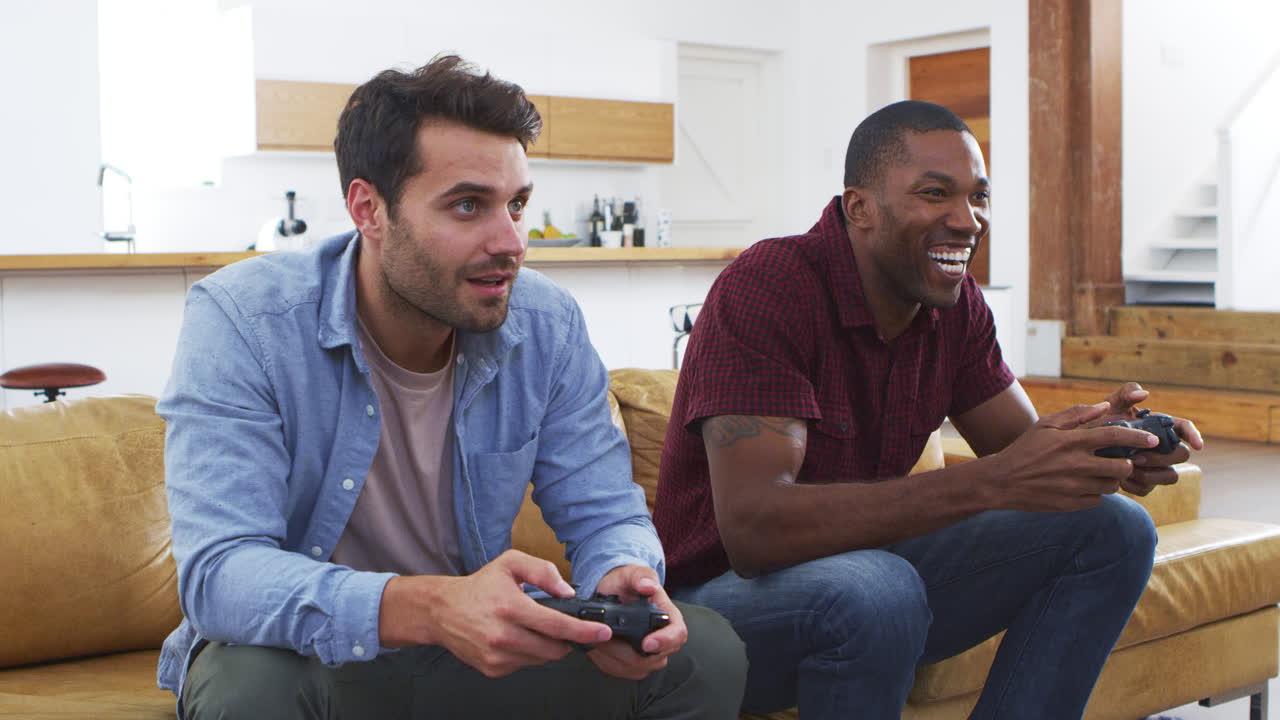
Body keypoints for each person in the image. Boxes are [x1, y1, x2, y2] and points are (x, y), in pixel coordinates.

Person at [156, 54, 746, 720]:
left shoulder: (545, 324)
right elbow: (221, 574)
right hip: (310, 660)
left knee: (706, 655)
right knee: (247, 688)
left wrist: (622, 580)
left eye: (517, 205)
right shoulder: (243, 320)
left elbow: (605, 511)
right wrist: (434, 608)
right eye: (469, 205)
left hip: (467, 661)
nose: (512, 242)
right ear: (369, 209)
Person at [653, 100, 1204, 719]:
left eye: (978, 197)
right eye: (936, 193)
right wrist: (994, 481)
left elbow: (1020, 449)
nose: (967, 221)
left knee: (1112, 528)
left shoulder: (953, 304)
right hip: (712, 611)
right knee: (874, 587)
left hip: (865, 583)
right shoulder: (770, 286)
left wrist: (1106, 448)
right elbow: (754, 532)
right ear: (858, 207)